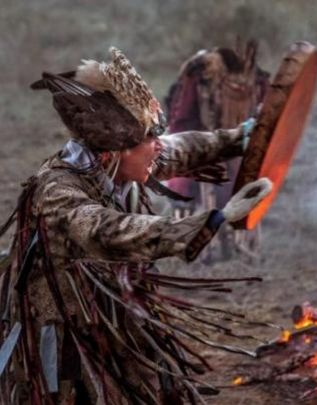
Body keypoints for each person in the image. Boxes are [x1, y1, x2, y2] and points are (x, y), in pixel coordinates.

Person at [0, 47, 272, 404]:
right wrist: (216, 218)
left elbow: (178, 147)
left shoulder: (119, 160)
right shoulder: (58, 191)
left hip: (108, 318)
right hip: (62, 337)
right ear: (114, 152)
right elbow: (109, 231)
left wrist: (241, 138)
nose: (159, 148)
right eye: (149, 140)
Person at [165, 40, 270, 260]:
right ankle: (229, 244)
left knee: (201, 186)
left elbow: (180, 122)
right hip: (227, 152)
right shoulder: (202, 78)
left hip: (224, 152)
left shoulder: (197, 77)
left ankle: (216, 245)